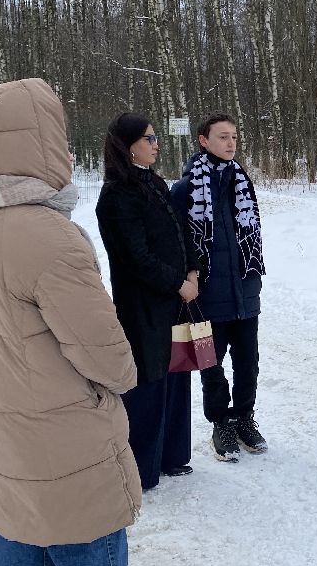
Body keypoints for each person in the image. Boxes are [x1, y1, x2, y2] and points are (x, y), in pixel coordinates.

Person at [0, 79, 141, 566]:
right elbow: (110, 360)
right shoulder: (47, 236)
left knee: (20, 551)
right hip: (67, 444)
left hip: (5, 439)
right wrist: (121, 378)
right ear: (35, 145)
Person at [95, 113, 201, 487]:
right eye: (149, 139)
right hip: (143, 307)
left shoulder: (155, 184)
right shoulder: (116, 195)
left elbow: (180, 231)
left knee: (176, 375)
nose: (156, 145)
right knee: (148, 383)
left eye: (156, 138)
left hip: (173, 300)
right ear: (127, 146)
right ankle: (142, 468)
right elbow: (136, 257)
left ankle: (172, 455)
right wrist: (177, 282)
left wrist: (192, 270)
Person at [170, 113, 267, 462]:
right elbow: (179, 243)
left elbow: (250, 233)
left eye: (234, 137)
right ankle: (220, 423)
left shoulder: (241, 181)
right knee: (211, 363)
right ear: (203, 141)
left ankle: (244, 418)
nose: (230, 143)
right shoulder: (186, 189)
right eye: (223, 137)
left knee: (248, 362)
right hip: (207, 295)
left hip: (244, 290)